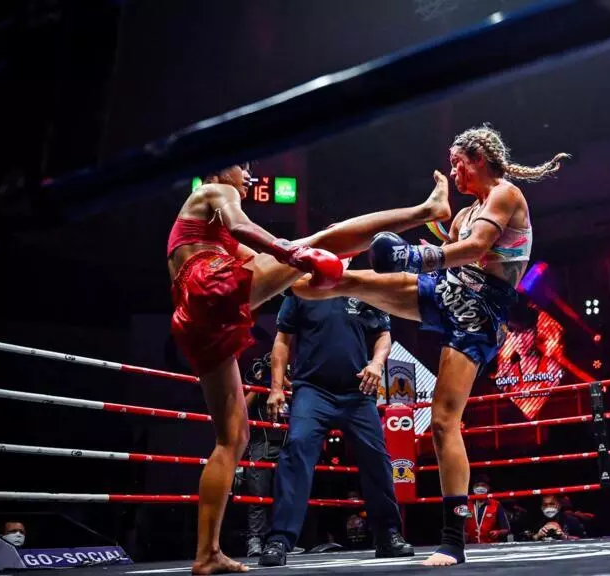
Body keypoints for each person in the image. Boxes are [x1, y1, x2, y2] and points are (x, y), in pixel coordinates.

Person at [293, 125, 569, 565]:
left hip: (479, 312)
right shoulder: (466, 213)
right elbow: (453, 253)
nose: (454, 171)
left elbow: (476, 248)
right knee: (339, 281)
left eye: (458, 163)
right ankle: (282, 265)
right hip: (446, 290)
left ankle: (453, 542)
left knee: (442, 422)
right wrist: (425, 246)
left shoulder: (506, 195)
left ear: (479, 158)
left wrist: (413, 256)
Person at [167, 162, 449, 574]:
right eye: (243, 168)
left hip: (197, 321)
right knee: (327, 237)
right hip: (209, 289)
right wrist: (296, 252)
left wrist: (315, 268)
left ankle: (206, 554)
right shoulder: (213, 191)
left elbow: (276, 274)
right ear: (220, 169)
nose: (248, 177)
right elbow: (244, 227)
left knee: (233, 438)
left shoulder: (210, 237)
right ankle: (426, 210)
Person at [257, 258, 413, 566]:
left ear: (350, 256)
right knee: (296, 448)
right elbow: (282, 339)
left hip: (357, 393)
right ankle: (279, 540)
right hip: (312, 390)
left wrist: (376, 364)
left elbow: (383, 335)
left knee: (376, 456)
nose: (339, 254)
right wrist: (276, 387)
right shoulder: (301, 288)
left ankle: (388, 535)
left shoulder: (364, 288)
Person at [241, 355, 285, 557]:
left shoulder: (287, 383)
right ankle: (255, 540)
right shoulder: (257, 387)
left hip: (286, 444)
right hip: (261, 444)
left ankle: (281, 539)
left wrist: (282, 379)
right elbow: (242, 407)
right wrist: (258, 383)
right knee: (258, 496)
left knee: (286, 495)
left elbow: (300, 398)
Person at [465, 474, 510, 544]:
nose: (480, 488)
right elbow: (460, 526)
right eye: (477, 485)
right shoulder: (467, 505)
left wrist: (498, 532)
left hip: (491, 545)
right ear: (473, 488)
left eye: (483, 485)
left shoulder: (496, 505)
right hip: (470, 545)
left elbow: (506, 529)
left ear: (488, 488)